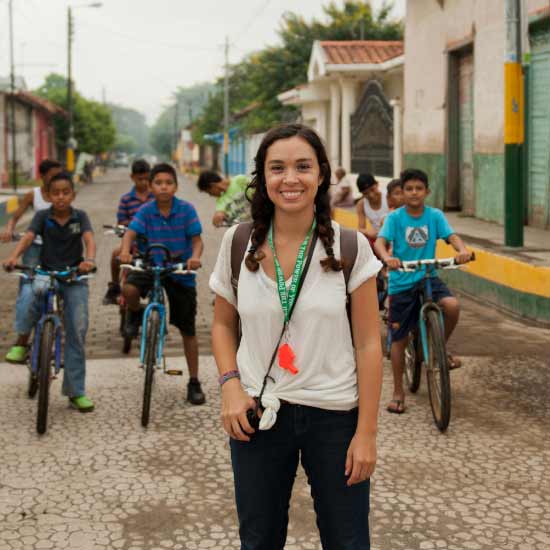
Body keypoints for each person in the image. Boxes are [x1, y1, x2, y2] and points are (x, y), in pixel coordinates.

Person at [210, 123, 383, 549]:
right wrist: (230, 386)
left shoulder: (350, 247)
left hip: (334, 415)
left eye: (303, 167)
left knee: (348, 541)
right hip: (258, 411)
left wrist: (366, 434)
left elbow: (369, 344)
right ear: (262, 177)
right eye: (277, 168)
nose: (290, 179)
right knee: (259, 539)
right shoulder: (239, 243)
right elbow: (221, 325)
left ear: (321, 175)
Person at [374, 168, 471, 414]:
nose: (414, 193)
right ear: (402, 193)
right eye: (409, 189)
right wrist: (388, 258)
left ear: (426, 192)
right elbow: (380, 242)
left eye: (419, 188)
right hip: (402, 282)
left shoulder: (434, 216)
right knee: (399, 339)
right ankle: (398, 392)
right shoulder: (395, 218)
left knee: (452, 306)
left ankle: (439, 349)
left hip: (429, 276)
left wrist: (462, 251)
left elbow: (452, 236)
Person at [3, 172, 96, 412]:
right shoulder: (42, 216)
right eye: (56, 193)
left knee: (77, 328)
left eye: (66, 192)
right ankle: (23, 341)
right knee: (28, 293)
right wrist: (14, 256)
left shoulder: (80, 217)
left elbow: (89, 239)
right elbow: (29, 237)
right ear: (47, 195)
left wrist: (90, 259)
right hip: (45, 273)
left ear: (73, 194)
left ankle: (76, 392)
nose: (61, 197)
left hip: (73, 276)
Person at [119, 163, 206, 405]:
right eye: (158, 183)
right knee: (129, 289)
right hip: (151, 265)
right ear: (151, 186)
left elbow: (197, 241)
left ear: (176, 186)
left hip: (179, 270)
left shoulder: (186, 210)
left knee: (188, 329)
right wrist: (125, 252)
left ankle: (194, 381)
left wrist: (195, 257)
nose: (164, 187)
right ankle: (135, 314)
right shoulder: (146, 211)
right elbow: (129, 234)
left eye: (168, 183)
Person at [1, 159, 62, 363]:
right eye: (53, 176)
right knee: (28, 293)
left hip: (57, 249)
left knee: (58, 290)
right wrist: (9, 229)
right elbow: (15, 216)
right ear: (43, 176)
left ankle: (54, 339)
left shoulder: (62, 195)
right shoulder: (33, 195)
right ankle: (21, 342)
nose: (57, 181)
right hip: (33, 248)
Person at [102, 159, 153, 305]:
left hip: (153, 241)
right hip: (131, 242)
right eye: (139, 179)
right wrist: (132, 226)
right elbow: (121, 221)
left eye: (146, 179)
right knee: (115, 254)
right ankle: (114, 286)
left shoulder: (155, 197)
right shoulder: (126, 199)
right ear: (132, 177)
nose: (143, 182)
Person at [356, 173, 390, 243]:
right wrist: (368, 232)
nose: (371, 195)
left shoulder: (388, 197)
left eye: (372, 189)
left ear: (377, 184)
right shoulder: (361, 204)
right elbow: (361, 229)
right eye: (366, 193)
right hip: (377, 238)